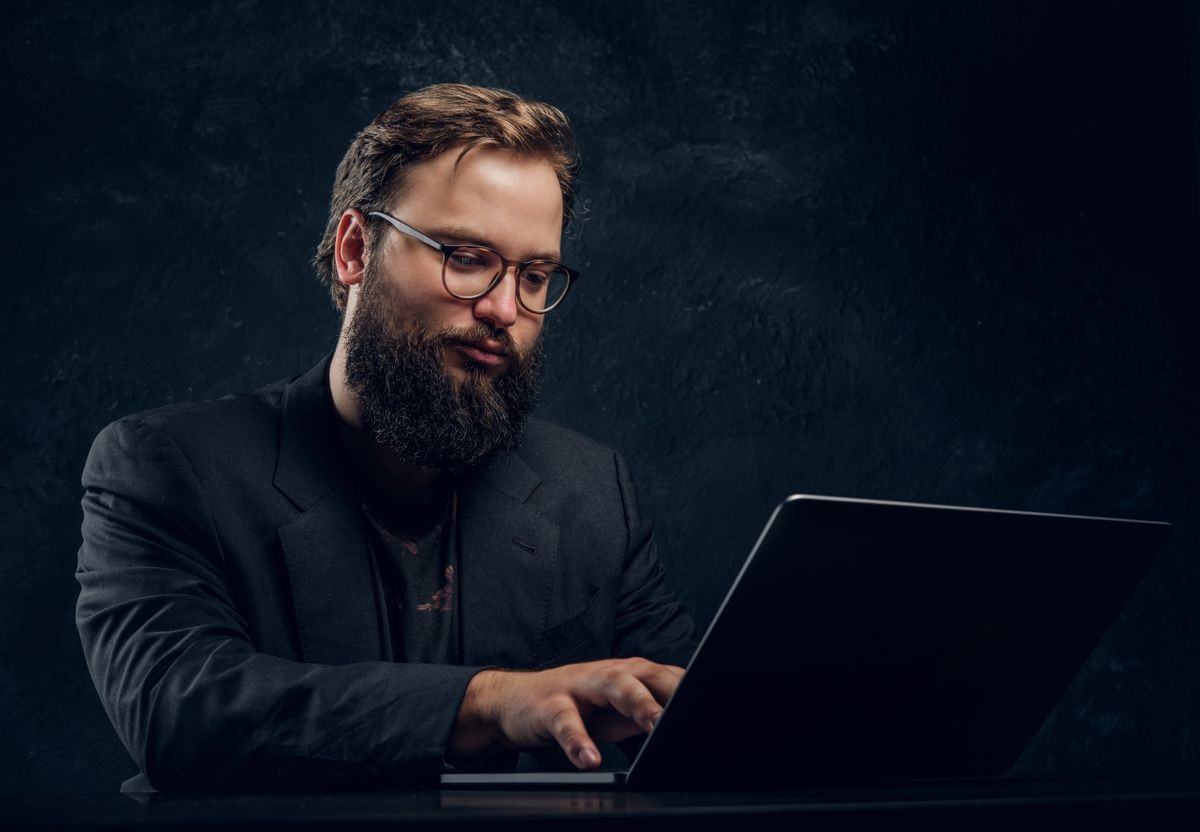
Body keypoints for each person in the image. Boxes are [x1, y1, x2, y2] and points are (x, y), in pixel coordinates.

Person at [75, 83, 697, 793]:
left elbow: (706, 725)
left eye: (535, 275)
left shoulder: (591, 491)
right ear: (353, 251)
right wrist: (489, 703)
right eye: (465, 257)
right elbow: (177, 710)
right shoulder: (168, 466)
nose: (504, 309)